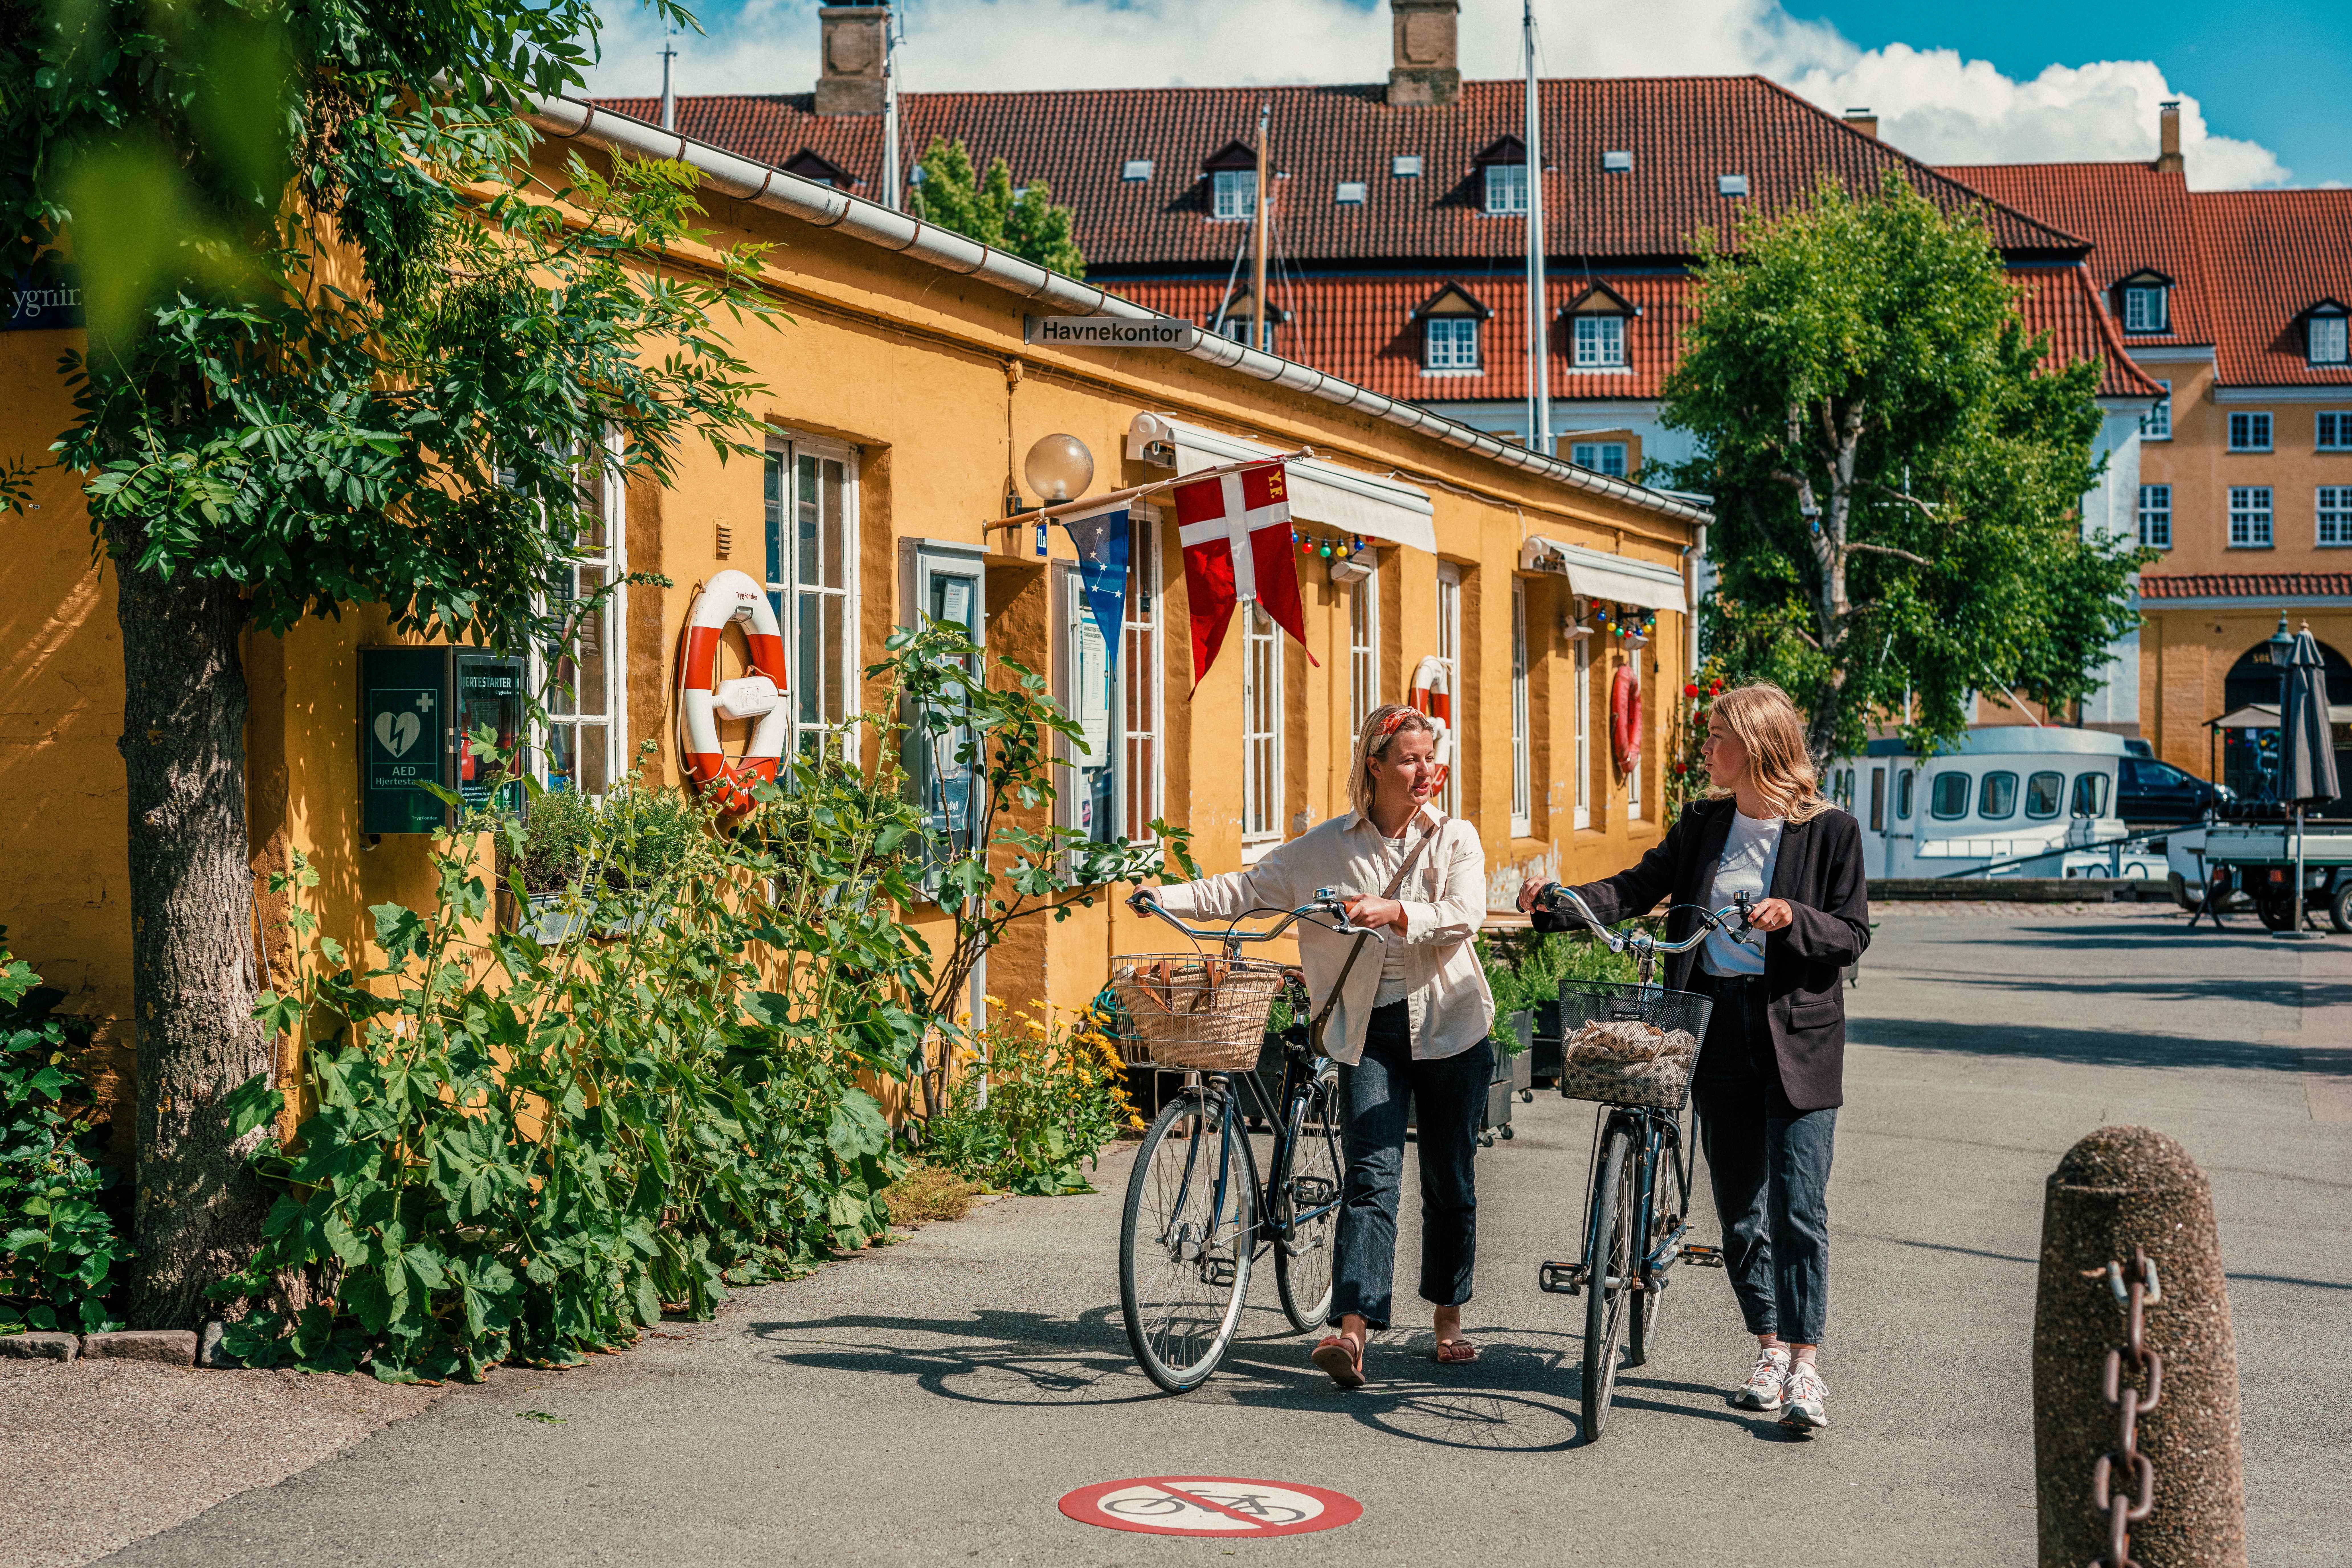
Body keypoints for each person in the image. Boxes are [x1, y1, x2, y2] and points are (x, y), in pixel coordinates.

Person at [1518, 682, 1867, 1432]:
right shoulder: (1706, 824)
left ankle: (1807, 1369)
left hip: (1795, 1034)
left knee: (1797, 1206)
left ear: (1757, 747)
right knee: (1741, 1210)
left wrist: (1792, 917)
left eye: (1717, 736)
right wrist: (1559, 902)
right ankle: (1770, 1347)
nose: (1704, 747)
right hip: (1711, 1027)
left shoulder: (1831, 830)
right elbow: (1640, 887)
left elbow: (1851, 934)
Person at [1134, 703, 1494, 1389]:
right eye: (1412, 759)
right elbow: (1245, 889)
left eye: (1432, 758)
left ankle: (1449, 1317)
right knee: (1372, 1176)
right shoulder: (1328, 845)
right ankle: (1352, 1332)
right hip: (1370, 1029)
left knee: (1450, 1177)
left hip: (1451, 1024)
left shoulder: (1456, 839)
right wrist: (1165, 897)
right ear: (1376, 764)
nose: (1427, 771)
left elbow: (1465, 915)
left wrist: (1395, 910)